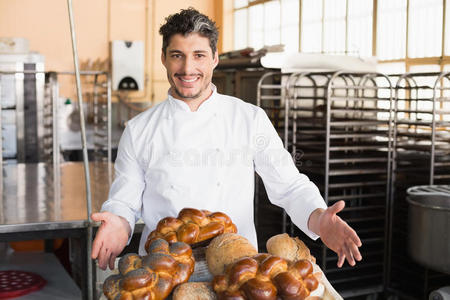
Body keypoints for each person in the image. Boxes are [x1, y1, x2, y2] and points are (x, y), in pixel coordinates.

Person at [91, 7, 362, 271]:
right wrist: (118, 222)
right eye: (177, 55)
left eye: (199, 55)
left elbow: (289, 187)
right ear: (163, 58)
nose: (188, 68)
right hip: (164, 272)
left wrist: (319, 218)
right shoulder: (139, 129)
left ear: (215, 58)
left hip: (235, 270)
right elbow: (125, 200)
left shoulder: (249, 119)